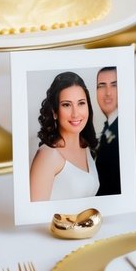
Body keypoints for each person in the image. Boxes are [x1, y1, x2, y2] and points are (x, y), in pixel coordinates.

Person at [29, 71, 99, 202]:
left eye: (81, 103)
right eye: (66, 105)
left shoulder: (85, 146)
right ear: (54, 112)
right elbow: (34, 216)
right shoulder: (47, 155)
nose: (75, 113)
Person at [94, 66, 121, 196]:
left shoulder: (122, 129)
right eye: (102, 86)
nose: (108, 92)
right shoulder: (110, 124)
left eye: (114, 85)